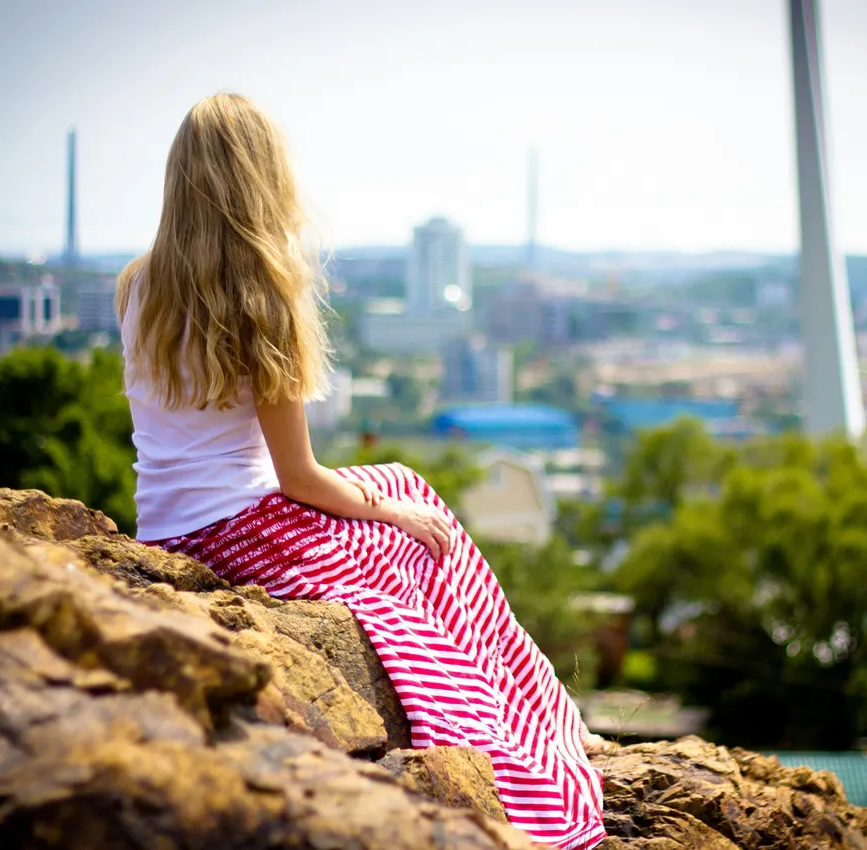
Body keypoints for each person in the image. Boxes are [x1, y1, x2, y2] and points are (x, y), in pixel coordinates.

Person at [117, 93, 607, 850]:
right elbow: (298, 478)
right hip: (247, 529)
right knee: (420, 527)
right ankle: (534, 722)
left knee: (404, 486)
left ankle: (539, 711)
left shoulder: (135, 284)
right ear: (263, 179)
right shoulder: (260, 298)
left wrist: (384, 500)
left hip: (167, 531)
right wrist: (384, 514)